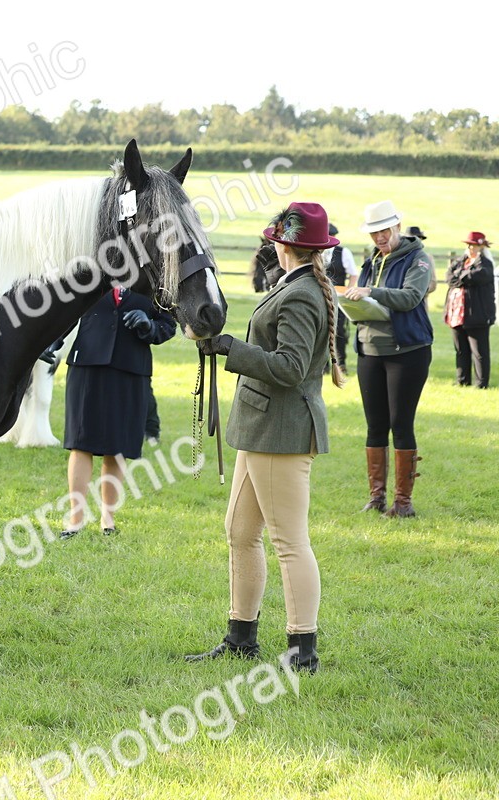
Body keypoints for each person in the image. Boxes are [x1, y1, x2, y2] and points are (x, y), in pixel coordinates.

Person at [186, 202, 345, 675]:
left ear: (285, 243)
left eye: (275, 237)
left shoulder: (300, 294)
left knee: (289, 542)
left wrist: (230, 348)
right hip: (261, 427)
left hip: (282, 430)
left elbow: (291, 368)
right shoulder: (296, 284)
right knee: (239, 532)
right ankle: (241, 638)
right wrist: (227, 346)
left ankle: (303, 651)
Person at [59, 284, 175, 538]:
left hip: (130, 370)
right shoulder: (90, 274)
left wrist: (149, 326)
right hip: (86, 366)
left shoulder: (156, 283)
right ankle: (75, 520)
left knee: (118, 445)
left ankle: (107, 520)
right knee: (80, 443)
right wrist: (52, 341)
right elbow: (65, 312)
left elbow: (168, 325)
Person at [344, 200, 434, 518]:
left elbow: (410, 298)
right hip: (369, 351)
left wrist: (370, 292)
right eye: (374, 233)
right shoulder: (372, 261)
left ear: (397, 226)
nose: (380, 237)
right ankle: (376, 498)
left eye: (384, 230)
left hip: (408, 353)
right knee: (375, 426)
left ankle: (403, 503)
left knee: (401, 424)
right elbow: (365, 297)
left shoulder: (417, 259)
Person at [444, 232, 495, 388]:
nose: (470, 247)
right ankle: (462, 380)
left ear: (481, 246)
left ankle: (481, 383)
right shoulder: (461, 261)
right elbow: (449, 277)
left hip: (476, 314)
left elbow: (477, 276)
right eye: (469, 244)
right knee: (461, 350)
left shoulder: (485, 263)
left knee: (479, 352)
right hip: (456, 314)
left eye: (473, 245)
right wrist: (463, 275)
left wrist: (460, 276)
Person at [324, 223, 358, 370]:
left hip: (338, 299)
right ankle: (323, 364)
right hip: (320, 297)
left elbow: (353, 274)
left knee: (339, 331)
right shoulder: (316, 252)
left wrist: (347, 292)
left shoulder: (343, 252)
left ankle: (341, 362)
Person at [403, 226, 436, 306]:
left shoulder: (427, 258)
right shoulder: (399, 257)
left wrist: (419, 291)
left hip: (420, 302)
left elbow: (433, 283)